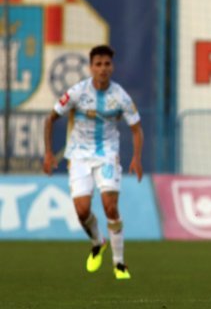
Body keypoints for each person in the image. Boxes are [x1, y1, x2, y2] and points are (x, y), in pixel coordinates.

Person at [42, 44, 143, 280]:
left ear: (112, 67)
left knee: (110, 206)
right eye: (98, 64)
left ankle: (119, 264)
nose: (103, 69)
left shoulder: (120, 96)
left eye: (107, 64)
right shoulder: (77, 92)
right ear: (91, 67)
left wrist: (137, 158)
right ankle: (98, 242)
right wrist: (48, 153)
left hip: (107, 154)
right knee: (82, 210)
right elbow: (50, 119)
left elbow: (137, 129)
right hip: (78, 155)